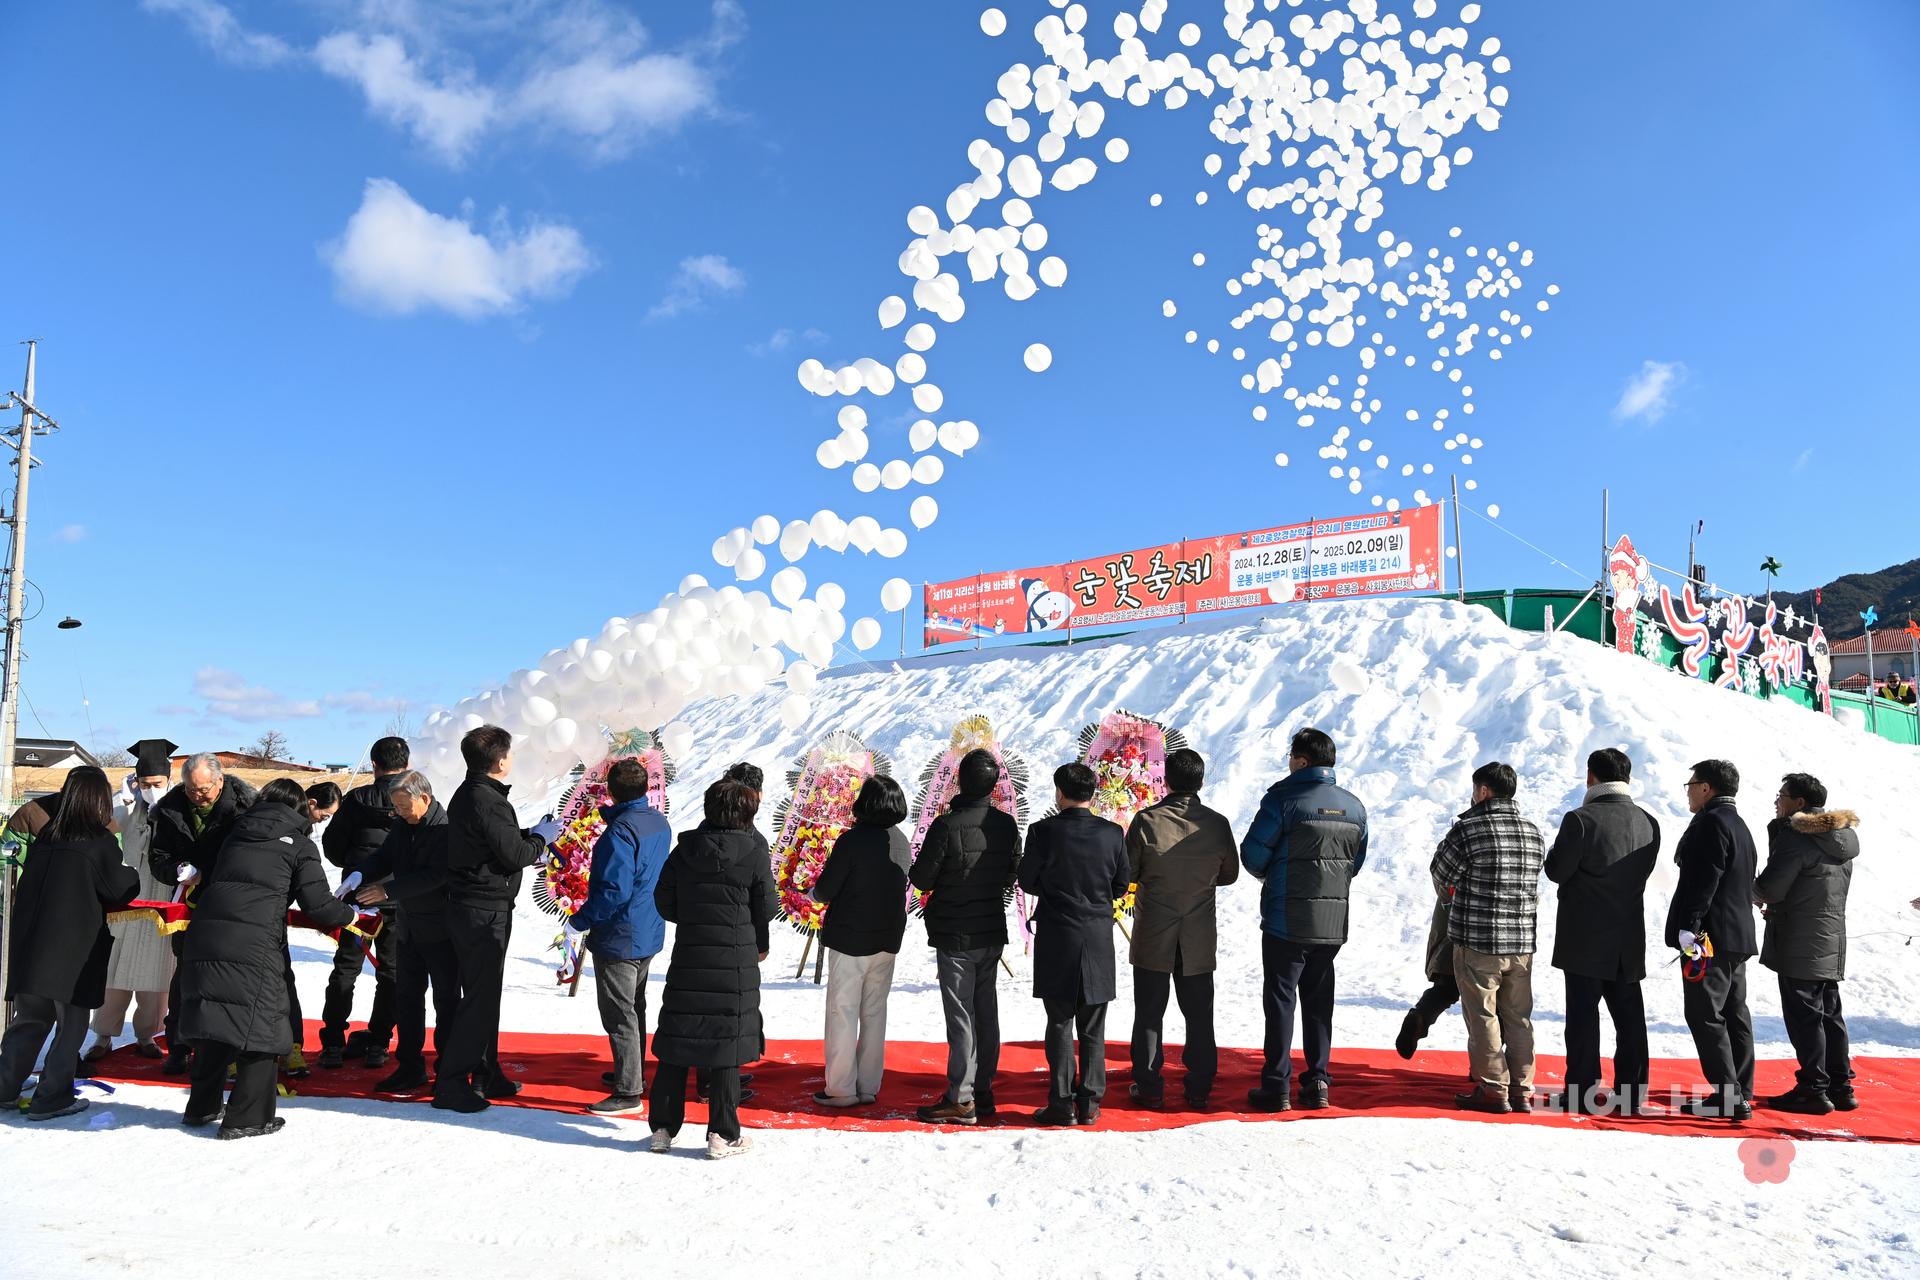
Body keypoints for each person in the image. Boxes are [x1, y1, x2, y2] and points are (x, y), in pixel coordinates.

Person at [176, 778, 355, 1139]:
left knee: (216, 1018)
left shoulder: (233, 832)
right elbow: (318, 905)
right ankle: (247, 1118)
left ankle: (202, 1106)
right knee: (265, 1025)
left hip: (207, 933)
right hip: (253, 943)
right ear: (302, 806)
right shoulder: (299, 845)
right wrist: (350, 916)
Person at [0, 768, 141, 1120]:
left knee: (29, 1020)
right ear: (97, 800)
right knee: (71, 1025)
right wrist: (132, 872)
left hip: (30, 947)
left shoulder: (46, 836)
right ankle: (51, 1097)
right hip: (73, 955)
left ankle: (4, 1089)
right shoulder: (98, 841)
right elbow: (122, 888)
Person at [1239, 727, 1368, 1111]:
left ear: (1302, 761)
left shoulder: (1283, 801)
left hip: (1285, 920)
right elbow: (1353, 865)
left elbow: (1252, 855)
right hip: (1331, 922)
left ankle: (1277, 1085)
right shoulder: (1355, 807)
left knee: (1280, 1002)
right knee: (1318, 1003)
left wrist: (1273, 876)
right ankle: (1317, 1082)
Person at [648, 778, 777, 1159]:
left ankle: (662, 1129)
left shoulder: (684, 850)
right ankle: (722, 1134)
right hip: (735, 964)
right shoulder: (754, 852)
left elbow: (663, 900)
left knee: (676, 1042)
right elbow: (767, 908)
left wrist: (693, 920)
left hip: (690, 957)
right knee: (727, 1046)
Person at [432, 726, 557, 1113]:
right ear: (501, 761)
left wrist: (529, 833)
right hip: (482, 908)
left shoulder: (474, 794)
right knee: (480, 999)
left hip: (477, 904)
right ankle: (452, 1082)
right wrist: (541, 839)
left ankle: (488, 1072)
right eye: (511, 754)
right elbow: (514, 854)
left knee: (484, 996)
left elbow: (492, 841)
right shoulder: (486, 798)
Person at [1542, 748, 1660, 1115]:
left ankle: (1581, 1088)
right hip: (1628, 935)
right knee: (1629, 1018)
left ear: (1591, 777)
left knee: (1583, 1018)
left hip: (1584, 936)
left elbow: (1557, 871)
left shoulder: (1580, 819)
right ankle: (1632, 1090)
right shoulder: (1649, 822)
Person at [909, 748, 1022, 1125]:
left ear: (960, 782)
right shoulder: (1007, 826)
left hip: (956, 931)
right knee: (985, 1012)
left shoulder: (947, 825)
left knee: (961, 1016)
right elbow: (1011, 874)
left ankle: (961, 1098)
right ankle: (983, 1090)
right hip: (990, 926)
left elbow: (922, 879)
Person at [1125, 747, 1238, 1109]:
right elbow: (1230, 874)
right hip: (1198, 934)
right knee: (1199, 1013)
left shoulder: (1146, 821)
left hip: (1153, 932)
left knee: (1148, 1013)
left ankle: (1148, 1084)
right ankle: (1199, 1084)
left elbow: (1127, 873)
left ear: (1166, 780)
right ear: (1201, 781)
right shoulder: (1217, 824)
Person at [1432, 762, 1547, 1115]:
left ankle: (1494, 1087)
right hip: (1522, 943)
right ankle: (1523, 1089)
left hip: (1478, 940)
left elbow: (1440, 873)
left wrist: (1454, 899)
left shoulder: (1469, 830)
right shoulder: (1533, 831)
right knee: (1518, 1017)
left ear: (1483, 791)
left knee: (1483, 1015)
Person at [1018, 763, 1131, 1127]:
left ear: (1059, 792)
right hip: (1097, 936)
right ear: (1093, 793)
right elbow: (1120, 885)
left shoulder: (1042, 831)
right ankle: (1090, 1102)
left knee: (1060, 1021)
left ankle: (1061, 1101)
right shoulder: (1113, 833)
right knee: (1093, 1024)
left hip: (1057, 935)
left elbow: (1028, 880)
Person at [568, 758, 672, 1116]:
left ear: (611, 792)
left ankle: (629, 1090)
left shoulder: (620, 832)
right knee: (635, 1005)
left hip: (620, 933)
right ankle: (632, 1072)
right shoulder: (658, 821)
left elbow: (613, 890)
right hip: (647, 927)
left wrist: (579, 921)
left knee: (619, 1012)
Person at [1756, 773, 1860, 1115]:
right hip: (1830, 936)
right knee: (1829, 1013)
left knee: (1805, 1017)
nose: (1776, 801)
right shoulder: (1839, 838)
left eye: (1781, 795)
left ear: (1799, 803)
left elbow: (1771, 889)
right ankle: (1840, 1086)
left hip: (1798, 937)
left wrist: (1745, 886)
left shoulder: (1798, 839)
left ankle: (1813, 1088)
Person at [148, 752, 258, 1074]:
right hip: (187, 906)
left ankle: (223, 1047)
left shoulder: (244, 809)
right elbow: (159, 857)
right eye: (192, 790)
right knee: (185, 974)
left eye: (205, 789)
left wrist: (207, 872)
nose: (199, 796)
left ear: (220, 780)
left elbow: (246, 856)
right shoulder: (169, 810)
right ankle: (179, 1045)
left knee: (225, 978)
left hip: (229, 902)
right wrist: (178, 869)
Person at [1665, 758, 1759, 1121]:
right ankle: (1740, 1090)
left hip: (1708, 937)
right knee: (1735, 1012)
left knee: (1705, 1012)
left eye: (1691, 784)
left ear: (1707, 787)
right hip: (1736, 934)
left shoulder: (1711, 823)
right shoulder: (1739, 824)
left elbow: (1704, 880)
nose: (1688, 791)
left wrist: (1690, 926)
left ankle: (1728, 1094)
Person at [809, 774, 911, 1108]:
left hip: (851, 938)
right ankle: (868, 1085)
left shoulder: (852, 841)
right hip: (887, 937)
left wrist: (810, 891)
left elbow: (825, 890)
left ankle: (840, 1088)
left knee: (842, 1011)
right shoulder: (901, 840)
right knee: (874, 1012)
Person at [353, 770, 455, 1093]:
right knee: (407, 998)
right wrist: (360, 874)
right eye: (395, 806)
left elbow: (436, 876)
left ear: (424, 799)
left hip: (441, 928)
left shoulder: (444, 829)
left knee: (447, 1001)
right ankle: (410, 1067)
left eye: (403, 806)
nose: (399, 812)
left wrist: (388, 891)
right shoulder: (401, 824)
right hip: (408, 927)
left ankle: (449, 1066)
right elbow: (385, 856)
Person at [83, 738, 180, 1062]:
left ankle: (146, 1035)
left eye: (157, 784)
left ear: (168, 780)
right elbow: (105, 827)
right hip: (127, 897)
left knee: (156, 975)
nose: (151, 789)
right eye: (145, 783)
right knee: (115, 971)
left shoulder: (179, 805)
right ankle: (103, 1035)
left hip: (161, 898)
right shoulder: (130, 803)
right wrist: (122, 797)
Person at [317, 737, 408, 1070]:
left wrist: (352, 865)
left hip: (358, 895)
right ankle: (378, 1042)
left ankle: (332, 1044)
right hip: (397, 896)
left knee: (346, 968)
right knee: (391, 972)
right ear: (407, 765)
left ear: (374, 765)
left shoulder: (355, 800)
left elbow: (333, 844)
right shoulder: (415, 800)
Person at [1395, 886, 1459, 1060]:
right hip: (1492, 923)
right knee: (1493, 999)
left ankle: (1421, 1015)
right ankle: (1488, 1067)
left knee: (1446, 986)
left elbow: (1441, 870)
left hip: (1453, 912)